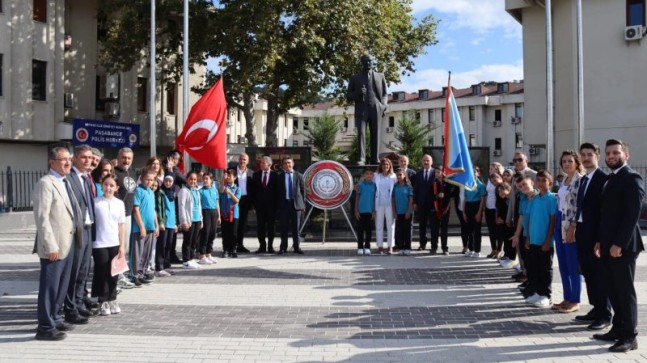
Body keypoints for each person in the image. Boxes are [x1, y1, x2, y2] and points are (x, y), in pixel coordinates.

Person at [593, 139, 644, 353]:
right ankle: (618, 329)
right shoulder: (611, 179)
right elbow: (606, 215)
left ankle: (630, 336)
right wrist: (600, 241)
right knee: (613, 289)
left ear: (626, 155)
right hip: (607, 244)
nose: (611, 156)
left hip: (623, 246)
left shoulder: (632, 177)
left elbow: (632, 215)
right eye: (608, 153)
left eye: (616, 152)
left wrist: (618, 244)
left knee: (624, 291)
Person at [33, 147, 80, 340]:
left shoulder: (65, 182)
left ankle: (55, 318)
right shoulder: (46, 183)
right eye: (63, 159)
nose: (68, 162)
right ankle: (44, 327)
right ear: (52, 162)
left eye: (69, 159)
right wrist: (50, 245)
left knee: (61, 286)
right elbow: (42, 218)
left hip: (67, 243)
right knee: (50, 287)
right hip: (54, 246)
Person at [570, 143, 612, 330]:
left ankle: (605, 314)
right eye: (583, 155)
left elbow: (605, 212)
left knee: (599, 274)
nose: (586, 158)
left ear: (598, 156)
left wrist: (600, 239)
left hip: (596, 235)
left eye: (590, 154)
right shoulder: (584, 179)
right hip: (582, 232)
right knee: (588, 273)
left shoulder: (604, 179)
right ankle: (596, 308)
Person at [64, 144, 95, 325]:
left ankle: (78, 302)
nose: (87, 161)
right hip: (77, 231)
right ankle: (70, 308)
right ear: (74, 158)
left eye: (90, 158)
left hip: (89, 229)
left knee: (83, 271)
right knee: (74, 271)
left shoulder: (86, 178)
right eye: (84, 157)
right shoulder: (69, 178)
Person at [552, 150, 584, 314]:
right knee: (563, 263)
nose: (566, 164)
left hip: (570, 223)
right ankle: (567, 297)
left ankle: (575, 299)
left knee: (573, 263)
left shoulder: (580, 181)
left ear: (577, 163)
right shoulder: (564, 180)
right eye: (564, 161)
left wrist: (574, 225)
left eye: (570, 161)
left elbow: (580, 206)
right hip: (559, 220)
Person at [520, 170, 557, 308]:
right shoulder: (534, 199)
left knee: (545, 269)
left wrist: (548, 240)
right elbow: (529, 219)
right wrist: (528, 238)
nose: (541, 183)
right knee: (533, 268)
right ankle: (536, 292)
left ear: (550, 183)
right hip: (533, 240)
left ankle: (546, 295)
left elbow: (553, 221)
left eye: (544, 180)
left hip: (545, 241)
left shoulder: (552, 199)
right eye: (539, 180)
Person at [91, 175, 125, 316]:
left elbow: (121, 225)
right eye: (106, 184)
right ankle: (102, 300)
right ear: (101, 185)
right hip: (99, 243)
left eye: (112, 185)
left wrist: (122, 245)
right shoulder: (95, 202)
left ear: (116, 188)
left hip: (114, 243)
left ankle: (112, 298)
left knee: (114, 273)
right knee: (102, 272)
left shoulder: (119, 203)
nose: (108, 188)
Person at [346, 54, 388, 165]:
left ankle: (375, 158)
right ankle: (362, 158)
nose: (367, 63)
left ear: (373, 62)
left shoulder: (380, 76)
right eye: (365, 61)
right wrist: (358, 93)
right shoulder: (355, 77)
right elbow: (349, 96)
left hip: (376, 107)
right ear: (361, 62)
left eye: (370, 61)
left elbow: (385, 93)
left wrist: (383, 105)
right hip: (361, 108)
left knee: (376, 133)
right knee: (361, 134)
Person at [507, 152, 537, 282]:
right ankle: (524, 270)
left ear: (526, 160)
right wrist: (509, 216)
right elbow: (512, 197)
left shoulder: (534, 175)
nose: (517, 162)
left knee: (529, 246)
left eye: (520, 159)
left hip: (532, 212)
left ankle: (529, 274)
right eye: (515, 160)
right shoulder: (514, 177)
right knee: (519, 243)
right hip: (519, 212)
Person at [129, 171, 159, 285]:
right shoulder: (138, 191)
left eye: (151, 180)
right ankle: (134, 274)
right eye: (147, 179)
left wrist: (156, 225)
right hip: (140, 228)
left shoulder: (151, 192)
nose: (149, 182)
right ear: (141, 178)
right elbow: (136, 209)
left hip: (150, 227)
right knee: (137, 252)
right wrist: (141, 226)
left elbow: (153, 210)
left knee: (146, 252)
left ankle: (142, 272)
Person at [277, 157, 306, 255]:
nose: (287, 165)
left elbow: (303, 191)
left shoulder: (299, 176)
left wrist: (303, 205)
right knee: (283, 227)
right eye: (285, 163)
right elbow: (277, 192)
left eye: (289, 163)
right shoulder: (280, 177)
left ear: (293, 164)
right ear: (283, 165)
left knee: (296, 228)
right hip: (284, 205)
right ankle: (283, 248)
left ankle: (297, 247)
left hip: (296, 205)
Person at [250, 156, 279, 254]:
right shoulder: (256, 175)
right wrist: (254, 204)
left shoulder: (275, 175)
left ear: (269, 164)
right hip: (260, 206)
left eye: (263, 163)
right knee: (260, 226)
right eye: (261, 162)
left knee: (271, 227)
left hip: (271, 206)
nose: (261, 164)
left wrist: (277, 205)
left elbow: (277, 191)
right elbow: (253, 191)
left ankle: (270, 246)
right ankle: (262, 246)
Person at [177, 172, 203, 267]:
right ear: (187, 179)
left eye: (195, 179)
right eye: (191, 179)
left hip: (197, 219)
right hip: (189, 220)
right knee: (188, 240)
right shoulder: (184, 191)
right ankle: (186, 260)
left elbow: (199, 206)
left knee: (194, 241)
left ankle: (191, 258)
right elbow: (181, 207)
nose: (193, 181)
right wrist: (184, 222)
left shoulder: (196, 190)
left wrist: (201, 219)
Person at [156, 174, 178, 276]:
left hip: (171, 224)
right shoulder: (161, 192)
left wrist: (175, 223)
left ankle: (166, 265)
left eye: (170, 181)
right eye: (166, 181)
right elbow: (160, 208)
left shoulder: (172, 193)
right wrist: (160, 222)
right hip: (164, 223)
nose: (168, 183)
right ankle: (159, 267)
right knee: (162, 245)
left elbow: (174, 210)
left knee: (169, 245)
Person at [373, 158, 396, 255]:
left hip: (390, 204)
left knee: (390, 226)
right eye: (383, 164)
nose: (385, 166)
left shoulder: (393, 176)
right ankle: (380, 246)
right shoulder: (376, 176)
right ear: (381, 166)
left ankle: (390, 246)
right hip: (379, 204)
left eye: (387, 164)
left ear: (390, 166)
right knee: (379, 225)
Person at [462, 166, 487, 258]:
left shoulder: (480, 185)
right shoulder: (467, 184)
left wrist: (479, 212)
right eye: (471, 172)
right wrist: (464, 212)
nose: (473, 173)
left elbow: (482, 199)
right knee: (469, 230)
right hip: (468, 206)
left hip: (476, 206)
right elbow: (465, 198)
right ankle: (471, 249)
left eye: (475, 171)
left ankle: (477, 250)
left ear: (478, 173)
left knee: (477, 230)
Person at [412, 154, 435, 251]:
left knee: (434, 226)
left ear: (431, 162)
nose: (426, 162)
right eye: (424, 160)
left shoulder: (436, 173)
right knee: (422, 226)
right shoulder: (418, 174)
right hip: (421, 204)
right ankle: (422, 244)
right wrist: (415, 202)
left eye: (428, 160)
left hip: (433, 204)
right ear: (422, 162)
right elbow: (416, 190)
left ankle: (434, 246)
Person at [430, 166, 453, 255]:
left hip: (445, 209)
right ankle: (434, 247)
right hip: (434, 209)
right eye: (436, 172)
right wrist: (437, 196)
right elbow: (429, 196)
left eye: (439, 172)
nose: (437, 173)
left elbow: (452, 193)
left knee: (444, 230)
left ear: (443, 172)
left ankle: (444, 248)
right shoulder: (432, 183)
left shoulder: (448, 183)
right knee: (434, 230)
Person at [233, 153, 253, 253]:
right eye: (241, 159)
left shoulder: (251, 173)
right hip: (233, 200)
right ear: (238, 160)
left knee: (242, 224)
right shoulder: (231, 171)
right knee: (233, 223)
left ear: (247, 161)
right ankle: (232, 245)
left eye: (244, 159)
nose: (242, 161)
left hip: (245, 200)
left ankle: (240, 245)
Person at [219, 169, 241, 258]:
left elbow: (237, 200)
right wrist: (222, 179)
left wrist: (230, 193)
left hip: (234, 214)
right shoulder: (224, 187)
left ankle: (233, 249)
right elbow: (220, 190)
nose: (228, 177)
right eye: (227, 176)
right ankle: (226, 249)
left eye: (230, 176)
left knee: (233, 233)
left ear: (235, 178)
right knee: (225, 233)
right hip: (224, 214)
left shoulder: (237, 188)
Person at [199, 173, 220, 263]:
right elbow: (199, 205)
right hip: (205, 212)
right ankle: (202, 255)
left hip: (214, 212)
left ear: (211, 180)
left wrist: (219, 215)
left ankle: (209, 253)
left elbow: (217, 203)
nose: (205, 180)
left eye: (207, 179)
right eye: (204, 179)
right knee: (205, 233)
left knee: (212, 233)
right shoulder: (201, 191)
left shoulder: (215, 190)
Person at [355, 168, 376, 256]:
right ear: (364, 175)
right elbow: (357, 198)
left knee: (369, 230)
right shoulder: (360, 185)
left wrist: (374, 210)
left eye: (371, 174)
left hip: (370, 211)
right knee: (360, 230)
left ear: (373, 176)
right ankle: (360, 247)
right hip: (361, 211)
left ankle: (367, 246)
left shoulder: (374, 185)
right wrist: (356, 210)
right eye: (367, 173)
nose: (369, 175)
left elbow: (375, 198)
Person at [392, 169, 414, 256]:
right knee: (399, 231)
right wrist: (394, 211)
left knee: (407, 230)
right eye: (397, 175)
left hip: (407, 212)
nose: (399, 176)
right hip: (398, 212)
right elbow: (393, 199)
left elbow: (411, 199)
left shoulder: (408, 187)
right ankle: (401, 247)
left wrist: (409, 211)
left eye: (400, 174)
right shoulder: (395, 186)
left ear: (404, 176)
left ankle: (407, 247)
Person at [485, 163, 504, 258]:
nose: (490, 170)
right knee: (491, 230)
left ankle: (499, 250)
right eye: (490, 168)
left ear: (497, 169)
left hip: (497, 209)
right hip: (489, 208)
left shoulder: (500, 180)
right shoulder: (489, 180)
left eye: (492, 168)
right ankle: (493, 249)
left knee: (499, 230)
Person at [496, 182, 516, 267]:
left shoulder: (513, 199)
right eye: (499, 191)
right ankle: (507, 255)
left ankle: (512, 257)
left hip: (512, 224)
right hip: (504, 224)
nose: (501, 193)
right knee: (506, 239)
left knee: (511, 241)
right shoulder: (501, 200)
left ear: (509, 189)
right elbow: (500, 211)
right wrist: (500, 218)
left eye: (502, 190)